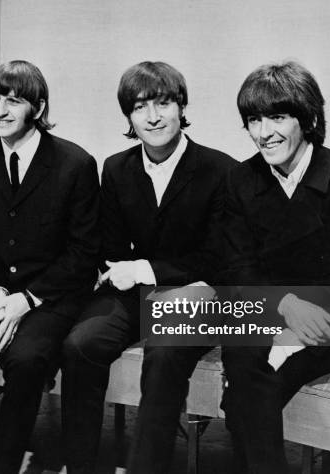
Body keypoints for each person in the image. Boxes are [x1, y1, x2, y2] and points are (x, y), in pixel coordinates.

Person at [61, 61, 235, 474]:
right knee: (79, 344)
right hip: (134, 293)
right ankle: (80, 466)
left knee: (163, 352)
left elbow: (217, 258)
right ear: (128, 116)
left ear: (181, 107)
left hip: (199, 292)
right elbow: (111, 248)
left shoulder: (221, 170)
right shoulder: (117, 168)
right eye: (140, 107)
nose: (153, 117)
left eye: (163, 103)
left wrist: (144, 270)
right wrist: (131, 273)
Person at [221, 60, 330, 473]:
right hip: (264, 309)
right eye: (254, 119)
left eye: (278, 117)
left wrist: (295, 324)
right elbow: (235, 267)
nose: (264, 132)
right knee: (244, 367)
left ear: (308, 118)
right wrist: (285, 304)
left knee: (249, 392)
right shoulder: (240, 181)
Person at [0, 60, 100, 474]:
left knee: (26, 360)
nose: (0, 111)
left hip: (50, 296)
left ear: (38, 107)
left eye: (13, 101)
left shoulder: (75, 164)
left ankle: (4, 464)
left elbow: (84, 253)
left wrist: (26, 300)